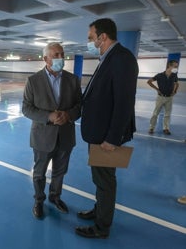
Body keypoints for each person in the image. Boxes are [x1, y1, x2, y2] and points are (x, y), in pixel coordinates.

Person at [75, 18, 139, 238]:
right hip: (98, 132)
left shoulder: (122, 59)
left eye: (91, 38)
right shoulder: (108, 58)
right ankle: (99, 210)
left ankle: (101, 227)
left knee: (105, 182)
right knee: (100, 180)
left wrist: (112, 138)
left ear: (102, 37)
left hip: (105, 136)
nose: (89, 42)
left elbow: (124, 102)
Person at [22, 42, 82, 219]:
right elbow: (26, 108)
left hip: (65, 136)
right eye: (56, 55)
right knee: (39, 173)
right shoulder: (33, 81)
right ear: (45, 59)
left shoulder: (73, 80)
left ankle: (55, 197)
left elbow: (79, 106)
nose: (60, 58)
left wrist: (68, 115)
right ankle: (39, 200)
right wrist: (48, 116)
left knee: (60, 172)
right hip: (42, 137)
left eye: (62, 54)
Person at [147, 60, 179, 135]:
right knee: (155, 113)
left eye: (177, 66)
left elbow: (177, 84)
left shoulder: (174, 75)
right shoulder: (159, 75)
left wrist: (175, 91)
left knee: (167, 114)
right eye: (175, 66)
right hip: (160, 98)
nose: (176, 68)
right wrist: (157, 89)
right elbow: (149, 81)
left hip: (169, 98)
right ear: (169, 66)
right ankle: (151, 128)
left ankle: (166, 128)